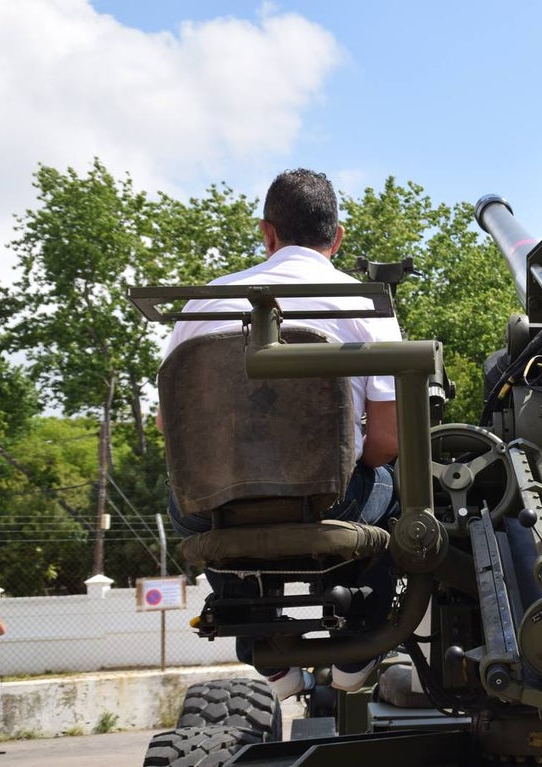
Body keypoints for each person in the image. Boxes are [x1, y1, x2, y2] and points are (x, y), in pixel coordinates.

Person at [158, 168, 402, 699]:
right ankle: (359, 645)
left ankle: (266, 654)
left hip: (215, 507)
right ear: (335, 238)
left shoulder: (204, 302)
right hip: (333, 504)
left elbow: (170, 429)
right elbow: (385, 443)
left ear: (267, 234)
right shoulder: (365, 304)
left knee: (185, 497)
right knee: (399, 486)